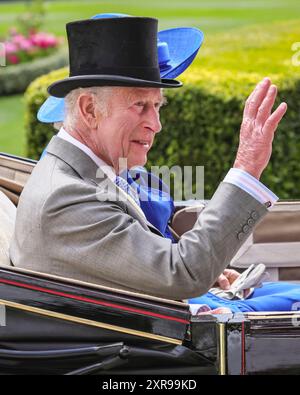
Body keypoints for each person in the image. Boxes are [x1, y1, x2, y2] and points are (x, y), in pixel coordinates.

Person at [10, 16, 288, 305]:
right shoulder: (66, 198)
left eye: (157, 106)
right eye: (140, 106)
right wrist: (246, 169)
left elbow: (145, 262)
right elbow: (182, 273)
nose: (156, 125)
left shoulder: (87, 172)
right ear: (90, 109)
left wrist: (209, 274)